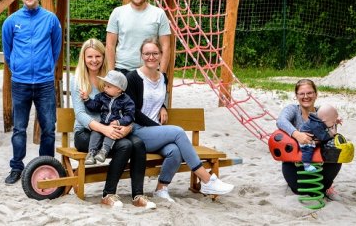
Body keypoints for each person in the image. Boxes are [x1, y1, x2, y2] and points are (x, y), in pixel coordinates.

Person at [126, 38, 235, 202]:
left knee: (175, 151)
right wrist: (158, 128)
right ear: (141, 55)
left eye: (155, 53)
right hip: (138, 131)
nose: (151, 57)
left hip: (156, 133)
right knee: (177, 131)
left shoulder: (163, 77)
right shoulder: (132, 78)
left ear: (161, 55)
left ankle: (161, 189)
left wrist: (163, 106)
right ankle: (207, 180)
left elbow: (157, 97)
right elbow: (132, 111)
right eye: (147, 53)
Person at [72, 38, 154, 208]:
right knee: (125, 145)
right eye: (89, 56)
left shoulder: (112, 79)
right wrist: (105, 129)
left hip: (112, 129)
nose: (94, 60)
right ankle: (108, 194)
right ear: (83, 58)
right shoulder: (78, 80)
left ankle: (138, 195)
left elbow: (128, 108)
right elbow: (80, 114)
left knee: (138, 143)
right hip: (87, 133)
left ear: (103, 57)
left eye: (98, 56)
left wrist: (127, 128)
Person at [1, 0, 62, 185]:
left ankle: (46, 166)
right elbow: (8, 52)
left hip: (44, 82)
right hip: (20, 82)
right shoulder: (11, 22)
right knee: (19, 128)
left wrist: (46, 67)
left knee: (48, 128)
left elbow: (55, 49)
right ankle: (16, 167)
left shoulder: (51, 19)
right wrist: (18, 68)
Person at [276, 79, 343, 200]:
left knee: (336, 151)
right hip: (296, 162)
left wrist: (333, 123)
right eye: (302, 93)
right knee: (299, 190)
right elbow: (281, 121)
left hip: (320, 162)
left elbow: (330, 134)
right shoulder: (293, 109)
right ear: (296, 96)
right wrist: (297, 134)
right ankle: (316, 186)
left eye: (310, 93)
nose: (306, 96)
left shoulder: (323, 112)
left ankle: (327, 187)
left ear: (316, 94)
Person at [106, 0, 172, 75]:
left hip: (150, 71)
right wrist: (111, 74)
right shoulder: (117, 12)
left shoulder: (159, 14)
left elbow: (166, 46)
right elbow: (110, 46)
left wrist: (162, 74)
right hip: (122, 70)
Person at [80, 70, 135, 165]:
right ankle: (91, 154)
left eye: (108, 86)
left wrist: (119, 122)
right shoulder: (102, 96)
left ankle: (104, 151)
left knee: (112, 134)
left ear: (119, 89)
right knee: (95, 133)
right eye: (105, 85)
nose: (105, 88)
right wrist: (87, 99)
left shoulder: (127, 101)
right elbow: (95, 106)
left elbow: (130, 116)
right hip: (103, 124)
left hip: (115, 126)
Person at [299, 104, 341, 172]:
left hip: (314, 137)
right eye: (333, 122)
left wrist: (335, 122)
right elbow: (323, 137)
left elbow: (328, 123)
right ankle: (307, 165)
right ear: (324, 120)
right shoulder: (316, 125)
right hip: (305, 140)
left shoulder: (320, 119)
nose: (333, 124)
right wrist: (331, 134)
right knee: (307, 150)